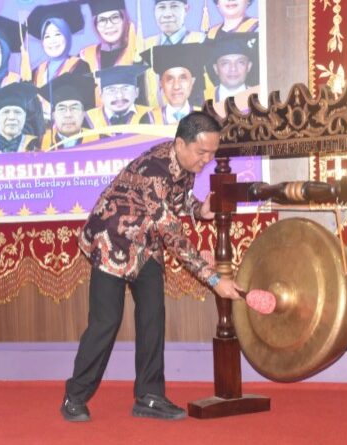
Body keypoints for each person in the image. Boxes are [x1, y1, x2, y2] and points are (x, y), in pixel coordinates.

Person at [61, 111, 242, 423]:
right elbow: (173, 236)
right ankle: (74, 396)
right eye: (202, 152)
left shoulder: (185, 164)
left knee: (152, 317)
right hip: (112, 241)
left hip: (145, 245)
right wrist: (215, 280)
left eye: (212, 153)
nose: (207, 160)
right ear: (181, 143)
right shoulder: (154, 171)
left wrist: (200, 210)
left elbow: (178, 200)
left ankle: (149, 396)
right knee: (106, 322)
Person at [142, 43, 204, 124]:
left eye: (182, 78)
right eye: (170, 79)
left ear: (192, 81)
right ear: (161, 84)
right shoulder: (150, 120)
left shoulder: (205, 119)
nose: (176, 86)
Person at [85, 64, 150, 137]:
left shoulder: (151, 115)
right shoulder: (86, 120)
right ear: (101, 95)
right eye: (111, 90)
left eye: (125, 89)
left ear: (136, 92)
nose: (119, 95)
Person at [38, 72, 97, 150]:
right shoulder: (38, 143)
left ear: (83, 114)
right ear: (53, 115)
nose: (68, 115)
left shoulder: (101, 140)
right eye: (62, 109)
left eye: (74, 108)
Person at [0, 81, 41, 154]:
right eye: (6, 112)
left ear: (24, 117)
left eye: (17, 112)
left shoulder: (34, 147)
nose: (12, 117)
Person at [79, 0, 137, 73]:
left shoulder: (138, 53)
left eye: (115, 17)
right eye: (102, 20)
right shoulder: (85, 58)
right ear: (95, 25)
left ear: (124, 20)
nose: (109, 25)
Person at [206, 32, 258, 103]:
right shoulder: (200, 102)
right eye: (225, 63)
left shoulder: (261, 99)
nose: (233, 69)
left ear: (249, 66)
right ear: (216, 69)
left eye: (240, 62)